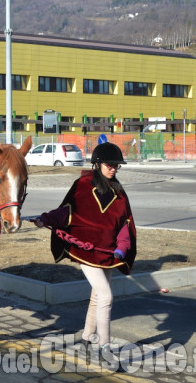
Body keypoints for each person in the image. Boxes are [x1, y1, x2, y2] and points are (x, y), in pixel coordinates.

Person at [33, 142, 136, 361]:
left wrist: (121, 249)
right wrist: (45, 219)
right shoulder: (82, 185)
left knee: (97, 297)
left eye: (117, 165)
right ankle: (104, 347)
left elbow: (125, 225)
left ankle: (87, 339)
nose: (114, 169)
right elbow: (66, 211)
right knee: (106, 295)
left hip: (108, 254)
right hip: (86, 252)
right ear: (97, 164)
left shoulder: (120, 193)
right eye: (110, 164)